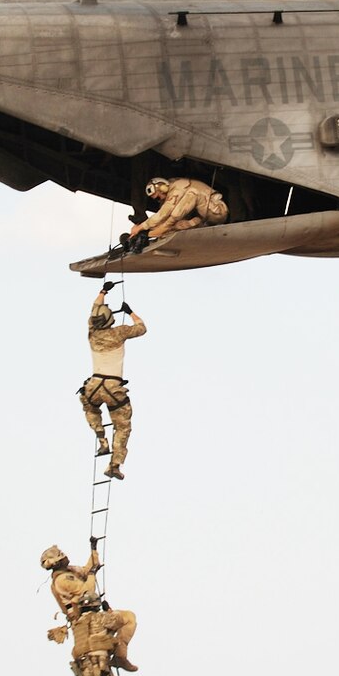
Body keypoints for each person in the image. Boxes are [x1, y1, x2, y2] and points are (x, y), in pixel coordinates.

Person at [79, 283, 144, 479]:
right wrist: (130, 311)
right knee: (123, 426)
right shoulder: (120, 332)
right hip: (113, 387)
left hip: (94, 385)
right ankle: (114, 465)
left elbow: (94, 311)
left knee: (90, 407)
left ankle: (102, 440)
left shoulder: (92, 332)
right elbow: (142, 328)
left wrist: (102, 292)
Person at [41, 540, 137, 672]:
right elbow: (87, 591)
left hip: (92, 614)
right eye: (61, 555)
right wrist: (92, 574)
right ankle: (120, 655)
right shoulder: (63, 580)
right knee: (128, 618)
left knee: (126, 618)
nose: (65, 556)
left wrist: (93, 549)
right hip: (87, 617)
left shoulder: (69, 572)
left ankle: (118, 654)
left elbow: (87, 569)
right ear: (56, 562)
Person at [124, 176, 227, 248]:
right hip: (204, 219)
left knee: (176, 213)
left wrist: (141, 227)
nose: (159, 200)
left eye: (158, 197)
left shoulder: (178, 187)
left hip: (218, 212)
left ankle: (158, 232)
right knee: (174, 224)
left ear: (162, 187)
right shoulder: (172, 190)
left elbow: (164, 213)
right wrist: (147, 232)